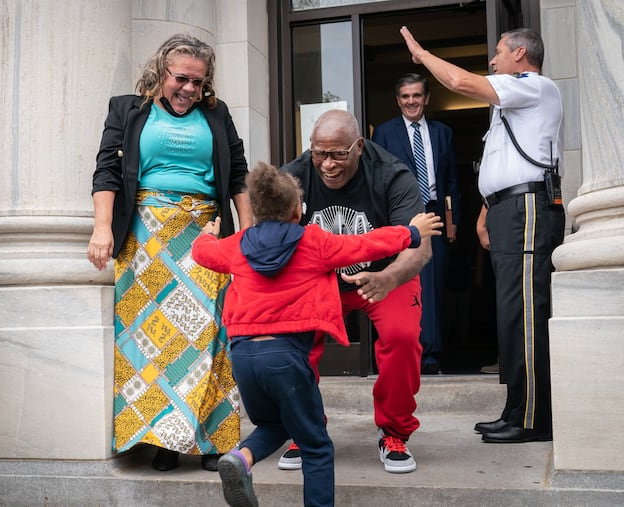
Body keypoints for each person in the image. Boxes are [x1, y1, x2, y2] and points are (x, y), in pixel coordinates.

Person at [192, 162, 442, 507]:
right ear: (297, 211)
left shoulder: (237, 245)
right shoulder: (314, 242)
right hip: (285, 359)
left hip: (244, 358)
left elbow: (202, 253)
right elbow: (365, 245)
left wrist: (206, 233)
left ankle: (242, 458)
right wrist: (411, 232)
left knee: (277, 426)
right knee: (317, 448)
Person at [88, 33, 253, 472]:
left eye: (198, 83)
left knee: (210, 336)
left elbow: (238, 175)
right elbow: (106, 169)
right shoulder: (128, 109)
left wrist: (248, 237)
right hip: (147, 235)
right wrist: (102, 228)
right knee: (154, 342)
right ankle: (164, 439)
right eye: (181, 79)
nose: (189, 90)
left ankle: (212, 438)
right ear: (161, 72)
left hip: (206, 233)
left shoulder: (216, 115)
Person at [401, 26, 565, 443]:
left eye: (498, 53)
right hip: (508, 209)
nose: (492, 61)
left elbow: (458, 81)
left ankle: (533, 419)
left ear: (521, 53)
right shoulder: (512, 101)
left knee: (526, 312)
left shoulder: (535, 86)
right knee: (511, 313)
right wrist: (485, 213)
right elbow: (504, 163)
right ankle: (516, 409)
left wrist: (422, 54)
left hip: (528, 208)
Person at [278, 109, 433, 474]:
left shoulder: (392, 174)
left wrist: (389, 279)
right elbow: (272, 237)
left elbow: (420, 246)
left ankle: (393, 432)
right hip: (320, 276)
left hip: (385, 273)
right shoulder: (294, 176)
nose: (327, 164)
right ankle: (306, 426)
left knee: (402, 335)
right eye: (319, 153)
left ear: (359, 147)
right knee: (289, 342)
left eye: (338, 154)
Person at [372, 73, 460, 375]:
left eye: (417, 96)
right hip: (401, 217)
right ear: (398, 100)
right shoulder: (383, 133)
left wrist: (453, 221)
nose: (411, 101)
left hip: (434, 214)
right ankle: (406, 352)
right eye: (405, 96)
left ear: (426, 98)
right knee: (404, 285)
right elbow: (377, 179)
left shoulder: (442, 133)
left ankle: (431, 355)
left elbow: (450, 180)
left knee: (433, 286)